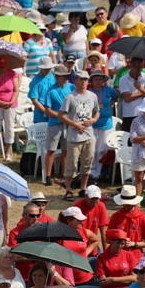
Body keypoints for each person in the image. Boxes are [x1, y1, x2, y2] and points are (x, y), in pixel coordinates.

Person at [58, 71, 99, 201]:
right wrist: (74, 124)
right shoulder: (70, 97)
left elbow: (97, 112)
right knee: (71, 164)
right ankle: (68, 190)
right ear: (76, 81)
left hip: (89, 135)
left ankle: (83, 188)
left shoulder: (92, 96)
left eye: (86, 80)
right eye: (81, 79)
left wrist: (93, 120)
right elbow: (61, 114)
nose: (84, 82)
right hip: (74, 137)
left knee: (87, 163)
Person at [43, 64, 75, 186]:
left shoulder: (72, 87)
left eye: (59, 75)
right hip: (55, 124)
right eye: (56, 75)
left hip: (68, 124)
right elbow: (47, 109)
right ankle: (47, 176)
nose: (57, 77)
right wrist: (61, 116)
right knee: (51, 150)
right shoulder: (51, 90)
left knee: (65, 150)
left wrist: (68, 118)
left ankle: (63, 174)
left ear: (65, 76)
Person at [109, 185, 145, 263]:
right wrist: (119, 243)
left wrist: (133, 244)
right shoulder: (115, 216)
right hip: (117, 255)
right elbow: (108, 239)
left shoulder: (142, 217)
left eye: (128, 203)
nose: (126, 205)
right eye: (124, 202)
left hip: (135, 256)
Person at [88, 69, 119, 180]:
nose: (98, 81)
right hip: (93, 124)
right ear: (92, 81)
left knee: (102, 150)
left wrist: (110, 104)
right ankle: (91, 172)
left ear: (103, 81)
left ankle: (100, 173)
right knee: (93, 150)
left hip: (106, 124)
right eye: (95, 79)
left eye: (100, 79)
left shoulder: (108, 90)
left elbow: (116, 96)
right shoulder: (89, 92)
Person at [0, 55, 19, 162]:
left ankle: (8, 152)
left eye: (4, 67)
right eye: (1, 67)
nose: (3, 69)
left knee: (9, 126)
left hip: (10, 104)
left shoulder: (12, 73)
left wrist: (10, 102)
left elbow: (16, 90)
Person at [119, 57, 145, 133]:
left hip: (143, 115)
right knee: (127, 141)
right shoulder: (123, 79)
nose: (139, 70)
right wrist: (143, 92)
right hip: (129, 115)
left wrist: (140, 88)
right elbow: (127, 98)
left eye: (141, 67)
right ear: (131, 65)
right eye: (137, 67)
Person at [74, 185, 109, 254]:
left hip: (92, 244)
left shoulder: (101, 206)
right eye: (92, 198)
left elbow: (104, 232)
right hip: (79, 245)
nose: (94, 201)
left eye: (97, 198)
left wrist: (106, 253)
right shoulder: (77, 207)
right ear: (85, 197)